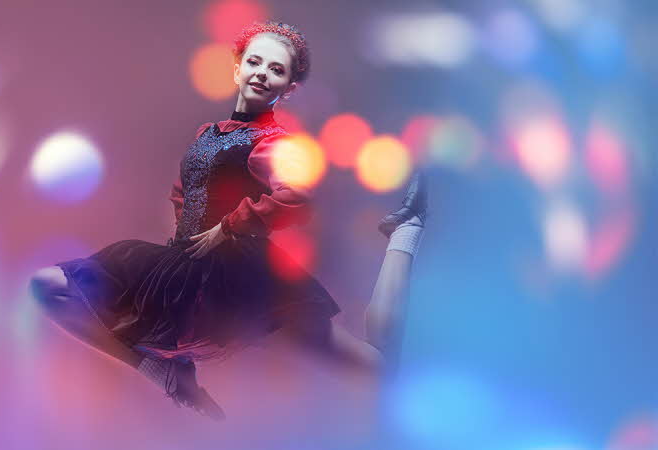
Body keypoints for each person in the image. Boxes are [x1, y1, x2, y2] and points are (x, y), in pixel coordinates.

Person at [29, 20, 428, 421]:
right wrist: (182, 243)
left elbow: (296, 198)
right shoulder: (209, 132)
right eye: (254, 62)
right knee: (49, 287)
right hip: (183, 268)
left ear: (288, 88)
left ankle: (406, 230)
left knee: (375, 370)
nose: (261, 73)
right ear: (236, 69)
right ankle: (160, 370)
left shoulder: (274, 142)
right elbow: (185, 193)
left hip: (243, 280)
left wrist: (230, 227)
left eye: (276, 69)